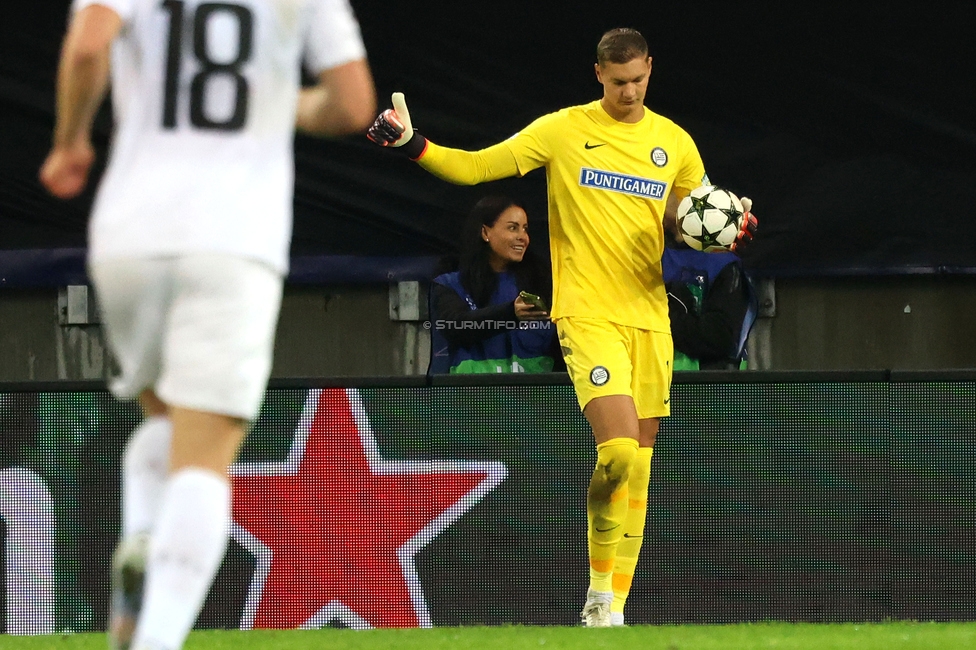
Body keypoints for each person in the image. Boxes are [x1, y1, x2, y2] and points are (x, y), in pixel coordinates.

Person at [367, 28, 757, 626]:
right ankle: (598, 593)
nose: (629, 92)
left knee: (642, 468)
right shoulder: (563, 130)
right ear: (598, 73)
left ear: (650, 68)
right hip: (587, 314)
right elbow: (476, 169)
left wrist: (728, 227)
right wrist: (414, 143)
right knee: (619, 452)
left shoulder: (674, 143)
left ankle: (613, 613)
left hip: (650, 317)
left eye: (639, 80)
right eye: (618, 81)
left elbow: (687, 221)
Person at [39, 1, 375, 648]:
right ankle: (157, 638)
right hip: (232, 239)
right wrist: (283, 104)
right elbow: (353, 104)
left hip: (128, 234)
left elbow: (87, 48)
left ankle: (143, 533)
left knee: (163, 420)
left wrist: (69, 141)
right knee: (204, 458)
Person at [430, 196, 559, 374]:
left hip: (536, 398)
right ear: (485, 232)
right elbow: (455, 327)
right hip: (473, 397)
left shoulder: (543, 282)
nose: (522, 237)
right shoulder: (449, 284)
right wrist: (510, 314)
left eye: (525, 229)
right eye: (513, 228)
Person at [663, 242, 756, 370]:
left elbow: (719, 336)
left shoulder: (725, 264)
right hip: (653, 378)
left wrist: (661, 318)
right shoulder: (645, 256)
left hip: (709, 383)